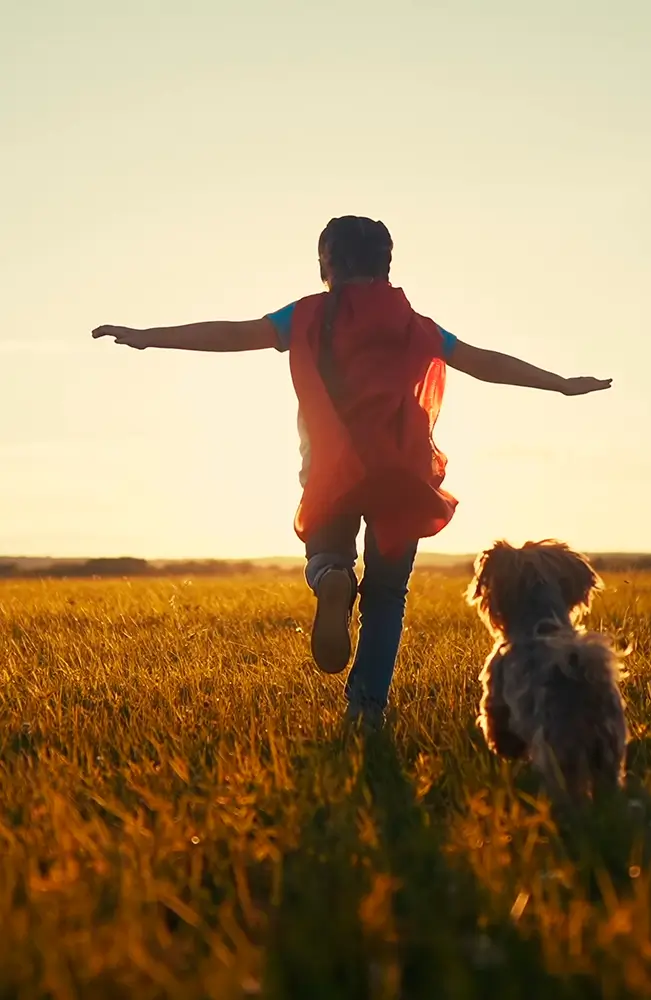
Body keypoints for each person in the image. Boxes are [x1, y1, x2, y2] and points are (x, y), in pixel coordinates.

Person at [93, 215, 611, 729]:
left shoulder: (307, 316)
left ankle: (331, 576)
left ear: (326, 263)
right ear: (387, 265)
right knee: (387, 598)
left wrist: (147, 336)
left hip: (332, 469)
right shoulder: (416, 325)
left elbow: (232, 333)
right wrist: (560, 383)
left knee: (326, 554)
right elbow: (485, 362)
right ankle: (365, 711)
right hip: (402, 478)